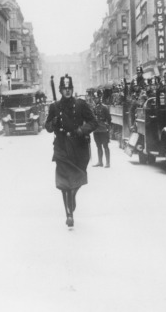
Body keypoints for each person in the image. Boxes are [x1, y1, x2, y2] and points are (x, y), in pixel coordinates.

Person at [45, 74, 98, 227]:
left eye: (69, 88)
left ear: (72, 89)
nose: (67, 91)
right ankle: (69, 214)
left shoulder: (81, 104)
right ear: (60, 90)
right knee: (63, 183)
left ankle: (73, 195)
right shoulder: (54, 106)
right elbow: (48, 127)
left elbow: (93, 122)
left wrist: (82, 130)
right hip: (61, 146)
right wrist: (53, 122)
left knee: (77, 178)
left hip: (79, 147)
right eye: (64, 89)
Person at [92, 91, 112, 168]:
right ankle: (100, 162)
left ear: (99, 98)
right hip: (96, 130)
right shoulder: (93, 108)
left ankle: (107, 163)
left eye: (96, 98)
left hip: (103, 129)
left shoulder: (104, 107)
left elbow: (109, 119)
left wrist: (107, 126)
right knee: (98, 146)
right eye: (94, 98)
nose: (95, 99)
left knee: (105, 146)